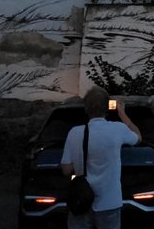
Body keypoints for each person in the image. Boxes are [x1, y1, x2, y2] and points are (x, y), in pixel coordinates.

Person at [60, 87, 142, 229]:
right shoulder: (117, 129)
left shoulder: (74, 132)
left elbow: (66, 170)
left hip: (81, 201)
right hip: (109, 202)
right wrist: (122, 114)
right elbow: (138, 137)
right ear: (107, 108)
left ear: (86, 108)